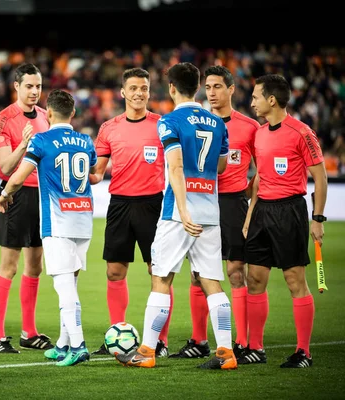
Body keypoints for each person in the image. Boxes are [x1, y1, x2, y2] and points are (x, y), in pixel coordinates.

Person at [116, 62, 237, 370]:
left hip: (178, 213)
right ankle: (226, 352)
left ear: (171, 88)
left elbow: (177, 167)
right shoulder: (218, 122)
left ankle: (146, 350)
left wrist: (183, 211)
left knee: (161, 278)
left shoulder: (169, 122)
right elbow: (221, 168)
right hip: (210, 209)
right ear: (197, 87)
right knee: (210, 280)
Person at [0, 89, 96, 366]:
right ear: (73, 113)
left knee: (64, 287)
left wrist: (5, 195)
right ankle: (64, 343)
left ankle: (78, 345)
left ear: (48, 113)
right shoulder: (86, 141)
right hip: (83, 220)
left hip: (58, 221)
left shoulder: (41, 141)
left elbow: (18, 178)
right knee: (71, 283)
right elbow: (92, 175)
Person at [170, 65, 259, 359]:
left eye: (218, 86)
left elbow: (263, 166)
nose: (212, 92)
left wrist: (249, 191)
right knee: (197, 274)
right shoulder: (196, 122)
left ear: (231, 89)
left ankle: (242, 343)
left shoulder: (248, 127)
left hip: (232, 203)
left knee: (235, 272)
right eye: (207, 87)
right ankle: (198, 340)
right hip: (201, 200)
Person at [240, 74, 327, 368]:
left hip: (290, 211)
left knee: (294, 281)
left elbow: (321, 176)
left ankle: (304, 352)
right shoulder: (260, 134)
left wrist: (317, 219)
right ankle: (256, 347)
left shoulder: (302, 133)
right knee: (255, 280)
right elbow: (260, 178)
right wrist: (251, 214)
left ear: (272, 100)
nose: (252, 102)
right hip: (262, 210)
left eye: (256, 97)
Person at [89, 68, 170, 357]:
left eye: (144, 88)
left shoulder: (162, 125)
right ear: (122, 92)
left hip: (152, 204)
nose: (138, 93)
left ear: (149, 92)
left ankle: (159, 340)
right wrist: (80, 175)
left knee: (157, 272)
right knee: (114, 271)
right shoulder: (109, 128)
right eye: (133, 88)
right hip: (120, 204)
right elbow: (97, 173)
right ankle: (116, 335)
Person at [0, 63, 52, 353]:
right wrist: (23, 144)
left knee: (35, 266)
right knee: (9, 266)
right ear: (16, 87)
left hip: (40, 195)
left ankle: (29, 332)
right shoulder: (2, 120)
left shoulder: (44, 116)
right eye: (29, 86)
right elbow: (4, 166)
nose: (34, 91)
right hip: (14, 195)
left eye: (38, 86)